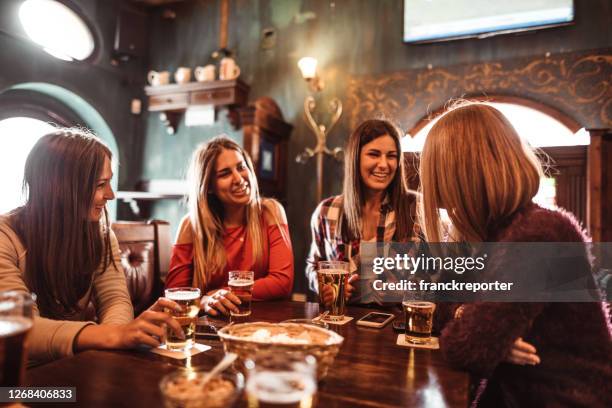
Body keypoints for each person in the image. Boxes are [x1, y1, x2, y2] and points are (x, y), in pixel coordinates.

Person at [419, 103, 611, 406]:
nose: (432, 186)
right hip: (516, 391)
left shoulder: (538, 233)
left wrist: (481, 334)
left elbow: (466, 348)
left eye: (435, 171)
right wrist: (477, 325)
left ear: (460, 174)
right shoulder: (490, 234)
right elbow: (438, 307)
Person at [0, 129, 184, 365]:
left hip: (75, 365)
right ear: (62, 188)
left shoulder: (98, 231)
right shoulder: (5, 235)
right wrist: (112, 335)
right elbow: (21, 327)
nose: (111, 194)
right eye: (101, 184)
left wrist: (117, 337)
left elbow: (115, 299)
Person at [166, 136, 293, 316]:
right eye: (225, 173)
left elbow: (282, 282)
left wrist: (222, 293)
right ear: (208, 186)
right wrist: (204, 301)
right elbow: (174, 298)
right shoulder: (191, 225)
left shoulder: (270, 211)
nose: (239, 178)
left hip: (263, 325)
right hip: (211, 328)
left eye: (241, 167)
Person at [306, 119, 419, 304]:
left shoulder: (416, 208)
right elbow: (313, 265)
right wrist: (321, 286)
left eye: (391, 156)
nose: (384, 164)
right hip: (342, 321)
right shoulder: (326, 211)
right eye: (374, 154)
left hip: (397, 324)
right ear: (355, 158)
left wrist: (367, 287)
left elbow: (428, 279)